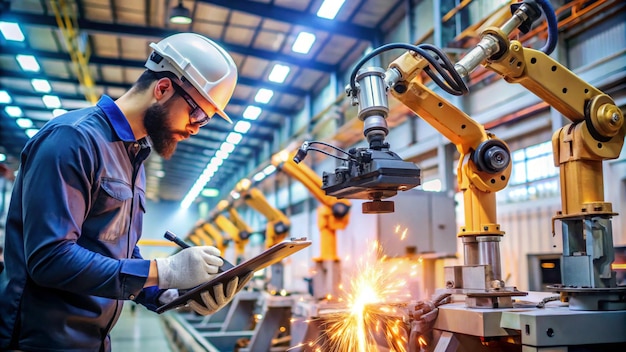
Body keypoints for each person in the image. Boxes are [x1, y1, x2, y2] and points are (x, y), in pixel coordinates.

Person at [0, 33, 252, 352]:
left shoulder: (132, 157)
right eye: (198, 114)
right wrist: (166, 269)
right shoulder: (72, 140)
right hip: (39, 342)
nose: (196, 128)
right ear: (162, 89)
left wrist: (171, 292)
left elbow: (119, 254)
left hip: (94, 342)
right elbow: (50, 258)